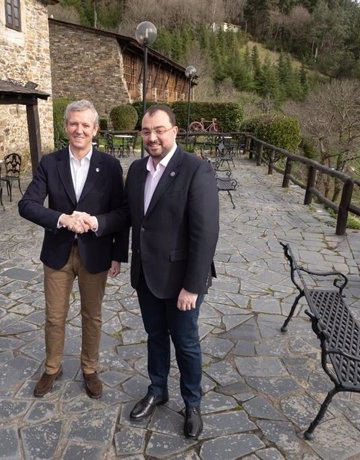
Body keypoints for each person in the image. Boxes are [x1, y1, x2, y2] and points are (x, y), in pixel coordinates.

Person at [86, 105, 219, 438]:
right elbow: (128, 216)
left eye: (159, 130)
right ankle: (158, 389)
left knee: (186, 342)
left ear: (174, 130)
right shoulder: (137, 170)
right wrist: (99, 225)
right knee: (156, 337)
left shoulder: (195, 169)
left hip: (181, 280)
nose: (152, 137)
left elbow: (205, 233)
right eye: (146, 131)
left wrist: (193, 286)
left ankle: (192, 403)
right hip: (146, 275)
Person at [18, 99, 128, 399]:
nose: (79, 130)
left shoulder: (109, 166)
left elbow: (122, 213)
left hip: (96, 253)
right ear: (66, 127)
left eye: (85, 125)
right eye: (73, 124)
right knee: (55, 316)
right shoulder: (49, 163)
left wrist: (113, 246)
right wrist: (62, 218)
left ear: (95, 129)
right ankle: (52, 367)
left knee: (92, 316)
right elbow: (26, 205)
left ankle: (90, 368)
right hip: (58, 253)